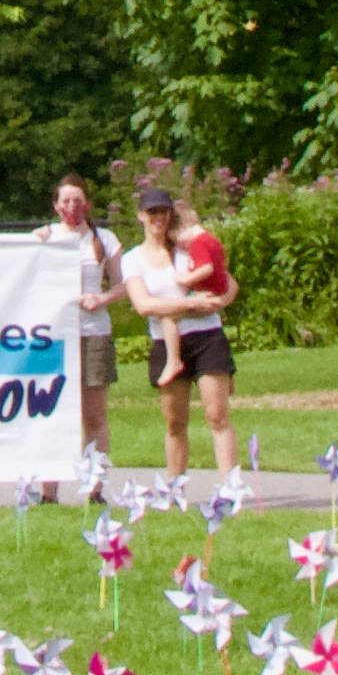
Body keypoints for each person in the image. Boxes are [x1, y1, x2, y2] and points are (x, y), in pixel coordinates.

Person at [124, 184, 241, 477]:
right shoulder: (133, 258)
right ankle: (174, 488)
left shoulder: (188, 247)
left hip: (207, 337)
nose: (158, 218)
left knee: (217, 416)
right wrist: (188, 305)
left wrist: (217, 302)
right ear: (141, 216)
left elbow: (228, 281)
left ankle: (231, 489)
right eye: (151, 212)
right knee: (175, 423)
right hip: (167, 341)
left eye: (163, 211)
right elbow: (143, 305)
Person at [37, 176, 125, 491]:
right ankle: (49, 491)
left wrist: (102, 299)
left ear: (87, 204)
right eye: (66, 202)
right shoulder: (46, 237)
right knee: (55, 411)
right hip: (56, 336)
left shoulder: (104, 239)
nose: (72, 208)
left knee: (94, 416)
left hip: (94, 333)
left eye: (78, 201)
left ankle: (95, 487)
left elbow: (122, 284)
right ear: (56, 206)